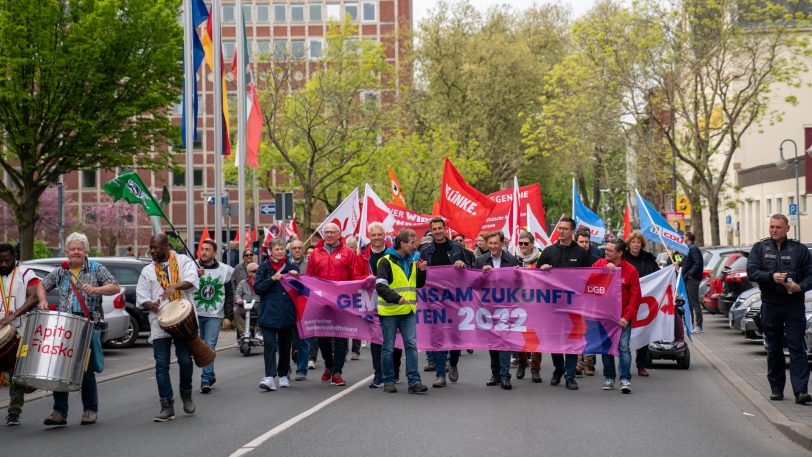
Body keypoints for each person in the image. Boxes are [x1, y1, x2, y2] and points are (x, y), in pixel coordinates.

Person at [40, 232, 119, 426]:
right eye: (72, 249)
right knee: (59, 370)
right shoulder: (61, 271)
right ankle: (59, 412)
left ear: (85, 251)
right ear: (66, 251)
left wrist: (96, 290)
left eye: (79, 249)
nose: (76, 252)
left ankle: (90, 410)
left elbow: (115, 286)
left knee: (86, 371)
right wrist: (42, 300)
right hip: (64, 326)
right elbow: (42, 285)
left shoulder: (96, 268)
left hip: (87, 325)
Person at [746, 214, 812, 404]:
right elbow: (752, 271)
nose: (774, 230)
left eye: (778, 227)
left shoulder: (799, 250)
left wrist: (800, 287)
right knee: (774, 348)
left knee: (796, 347)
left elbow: (810, 274)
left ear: (787, 229)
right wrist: (770, 277)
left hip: (794, 304)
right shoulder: (760, 248)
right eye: (772, 227)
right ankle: (776, 389)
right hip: (771, 304)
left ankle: (801, 392)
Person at [137, 233, 199, 422]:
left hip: (182, 319)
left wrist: (175, 286)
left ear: (167, 246)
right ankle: (167, 405)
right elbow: (142, 295)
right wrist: (149, 304)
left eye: (156, 247)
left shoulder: (183, 261)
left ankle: (186, 393)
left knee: (186, 361)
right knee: (161, 365)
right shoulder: (148, 270)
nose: (153, 251)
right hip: (160, 322)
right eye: (151, 247)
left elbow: (192, 280)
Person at [306, 223, 368, 386]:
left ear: (339, 234)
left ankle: (337, 372)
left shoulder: (348, 252)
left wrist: (360, 285)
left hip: (342, 301)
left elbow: (354, 275)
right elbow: (310, 277)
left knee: (341, 337)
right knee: (322, 337)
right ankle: (329, 365)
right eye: (326, 232)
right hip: (322, 302)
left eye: (332, 232)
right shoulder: (315, 254)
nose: (329, 235)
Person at [535, 217, 592, 391]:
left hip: (574, 305)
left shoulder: (581, 253)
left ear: (572, 231)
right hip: (552, 305)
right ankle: (558, 368)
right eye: (559, 228)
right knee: (555, 340)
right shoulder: (548, 251)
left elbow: (590, 275)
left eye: (565, 228)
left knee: (572, 341)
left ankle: (570, 376)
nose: (561, 231)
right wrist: (542, 270)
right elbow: (535, 277)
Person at [419, 217, 472, 387]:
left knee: (454, 335)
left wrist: (462, 263)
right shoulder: (425, 250)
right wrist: (421, 270)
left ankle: (454, 363)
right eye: (434, 229)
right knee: (437, 336)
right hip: (434, 300)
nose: (437, 231)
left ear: (445, 228)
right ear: (431, 231)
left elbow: (470, 269)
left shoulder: (457, 247)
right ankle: (441, 374)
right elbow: (419, 279)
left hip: (455, 299)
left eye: (439, 228)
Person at [376, 229, 428, 394]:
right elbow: (380, 286)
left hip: (408, 311)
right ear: (402, 243)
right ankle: (388, 381)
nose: (415, 247)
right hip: (390, 312)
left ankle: (414, 382)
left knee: (412, 346)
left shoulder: (413, 260)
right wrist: (396, 298)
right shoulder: (385, 261)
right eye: (412, 243)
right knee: (389, 348)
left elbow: (418, 285)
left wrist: (422, 272)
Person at [0, 243, 43, 426]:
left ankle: (14, 412)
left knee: (16, 374)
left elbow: (34, 296)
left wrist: (13, 315)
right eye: (0, 261)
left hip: (19, 331)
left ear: (14, 257)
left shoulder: (25, 274)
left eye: (7, 260)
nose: (3, 264)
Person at [593, 240, 642, 394]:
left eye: (610, 250)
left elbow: (636, 297)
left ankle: (625, 379)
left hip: (622, 318)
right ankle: (609, 378)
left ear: (620, 253)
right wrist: (604, 271)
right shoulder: (600, 263)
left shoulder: (630, 271)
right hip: (604, 317)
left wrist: (626, 317)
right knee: (607, 348)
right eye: (606, 249)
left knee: (623, 348)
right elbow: (587, 278)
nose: (606, 253)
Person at [475, 231, 520, 390]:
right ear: (487, 245)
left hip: (506, 307)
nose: (493, 246)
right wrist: (483, 275)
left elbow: (519, 285)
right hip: (487, 308)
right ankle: (495, 374)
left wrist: (517, 275)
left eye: (496, 243)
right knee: (493, 343)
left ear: (502, 244)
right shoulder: (480, 261)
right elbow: (474, 285)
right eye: (491, 243)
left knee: (504, 342)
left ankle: (505, 376)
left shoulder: (512, 260)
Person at [254, 238, 300, 391]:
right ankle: (269, 377)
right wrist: (272, 279)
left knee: (285, 346)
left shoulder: (291, 266)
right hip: (268, 312)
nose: (280, 252)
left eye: (282, 249)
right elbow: (258, 289)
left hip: (286, 311)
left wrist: (296, 276)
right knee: (269, 345)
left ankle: (283, 375)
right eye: (276, 249)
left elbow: (301, 286)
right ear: (270, 251)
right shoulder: (263, 268)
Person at [361, 222, 402, 388]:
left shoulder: (394, 253)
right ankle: (379, 374)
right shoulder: (363, 255)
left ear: (384, 235)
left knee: (394, 339)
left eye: (379, 235)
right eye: (373, 235)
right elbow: (356, 274)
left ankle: (394, 369)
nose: (376, 238)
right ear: (369, 237)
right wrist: (364, 278)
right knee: (376, 339)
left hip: (393, 301)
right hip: (372, 302)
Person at [195, 239, 234, 394]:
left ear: (214, 253)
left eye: (207, 249)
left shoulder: (224, 270)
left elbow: (229, 295)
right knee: (199, 348)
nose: (204, 252)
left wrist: (228, 316)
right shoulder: (191, 267)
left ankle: (205, 379)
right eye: (202, 249)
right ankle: (210, 374)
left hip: (214, 315)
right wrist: (194, 276)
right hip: (195, 314)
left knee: (209, 345)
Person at [624, 232, 660, 377]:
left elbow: (657, 274)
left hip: (645, 300)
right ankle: (624, 365)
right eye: (633, 242)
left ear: (642, 244)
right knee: (625, 334)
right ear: (629, 244)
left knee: (644, 332)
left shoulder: (649, 258)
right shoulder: (623, 258)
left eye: (638, 242)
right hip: (627, 301)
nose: (636, 244)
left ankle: (641, 365)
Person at [514, 232, 543, 383]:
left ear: (532, 244)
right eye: (521, 243)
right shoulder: (514, 258)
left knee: (534, 337)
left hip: (536, 303)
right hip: (518, 303)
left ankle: (535, 368)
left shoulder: (541, 257)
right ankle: (522, 362)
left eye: (526, 243)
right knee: (519, 336)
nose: (523, 246)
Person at [287, 239, 311, 379]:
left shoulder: (309, 265)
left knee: (303, 339)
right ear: (290, 250)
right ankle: (286, 368)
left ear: (303, 249)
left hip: (304, 306)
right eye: (294, 248)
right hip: (287, 306)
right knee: (284, 340)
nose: (297, 250)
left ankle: (301, 370)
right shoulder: (284, 265)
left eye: (299, 248)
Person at [681, 232, 704, 333]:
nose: (683, 238)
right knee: (688, 303)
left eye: (684, 236)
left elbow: (698, 263)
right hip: (687, 279)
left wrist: (690, 274)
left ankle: (698, 325)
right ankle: (689, 324)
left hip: (692, 279)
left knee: (694, 302)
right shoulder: (689, 248)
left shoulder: (693, 248)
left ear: (688, 238)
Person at [231, 249, 256, 339]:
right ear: (243, 257)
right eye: (246, 255)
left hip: (255, 301)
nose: (249, 256)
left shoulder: (257, 267)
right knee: (238, 313)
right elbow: (233, 281)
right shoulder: (238, 267)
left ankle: (256, 335)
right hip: (241, 298)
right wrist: (236, 296)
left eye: (250, 254)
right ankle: (241, 337)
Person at [234, 262, 260, 340]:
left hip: (258, 307)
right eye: (254, 271)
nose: (256, 272)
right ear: (248, 273)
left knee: (263, 308)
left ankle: (259, 332)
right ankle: (244, 333)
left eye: (258, 270)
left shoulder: (262, 282)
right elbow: (237, 294)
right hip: (245, 307)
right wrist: (238, 299)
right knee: (236, 310)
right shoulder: (242, 283)